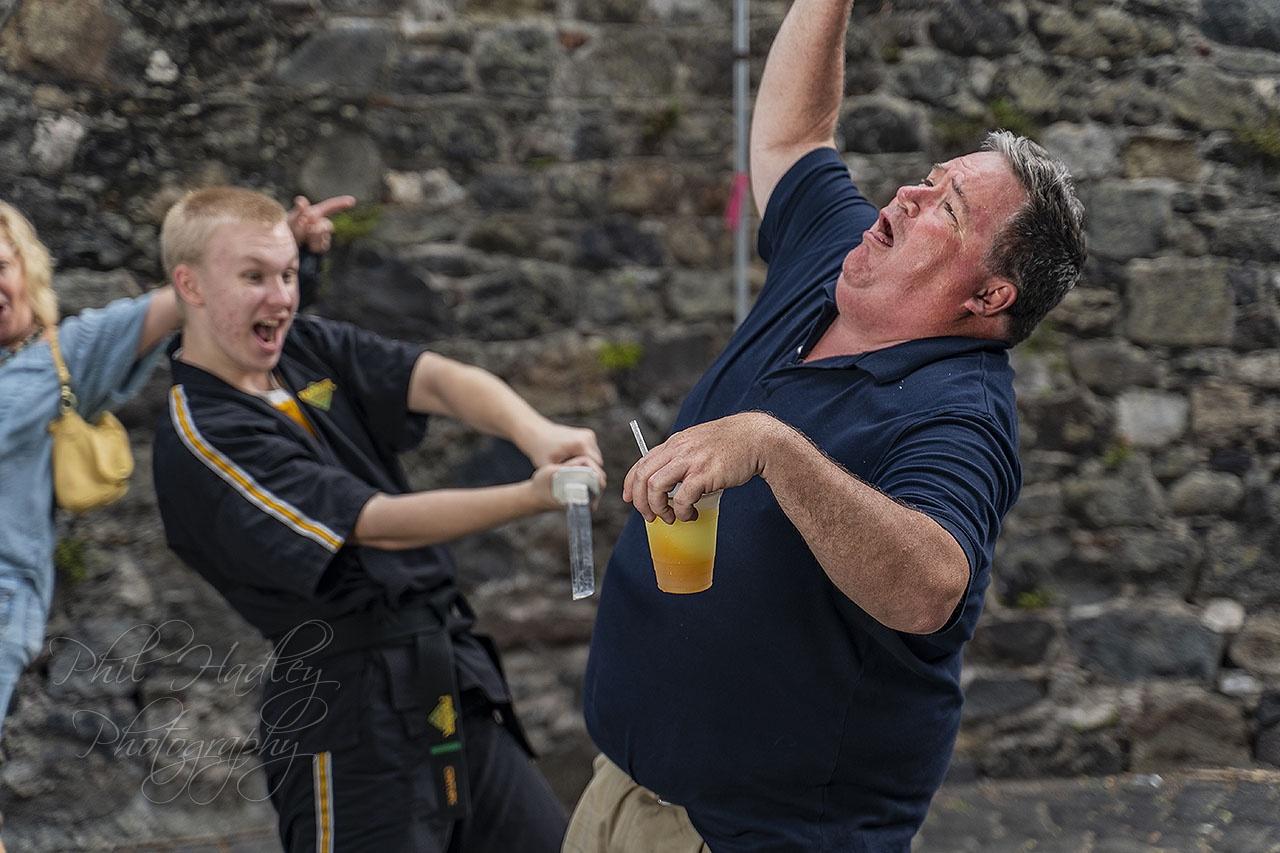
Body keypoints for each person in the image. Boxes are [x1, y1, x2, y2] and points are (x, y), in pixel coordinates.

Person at [565, 0, 1087, 849]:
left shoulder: (961, 412)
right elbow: (792, 137)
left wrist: (773, 448)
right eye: (929, 179)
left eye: (946, 212)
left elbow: (929, 586)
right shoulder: (839, 255)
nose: (909, 196)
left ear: (990, 297)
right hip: (619, 792)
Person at [150, 186, 605, 852]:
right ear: (188, 285)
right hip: (349, 715)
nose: (281, 296)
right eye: (253, 276)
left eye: (285, 273)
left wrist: (537, 432)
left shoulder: (305, 347)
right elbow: (376, 522)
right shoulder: (204, 431)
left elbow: (438, 378)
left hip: (449, 674)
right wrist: (532, 495)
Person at [0, 194, 348, 738]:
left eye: (1, 265)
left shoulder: (61, 357)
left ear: (26, 266)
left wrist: (281, 236)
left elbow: (186, 296)